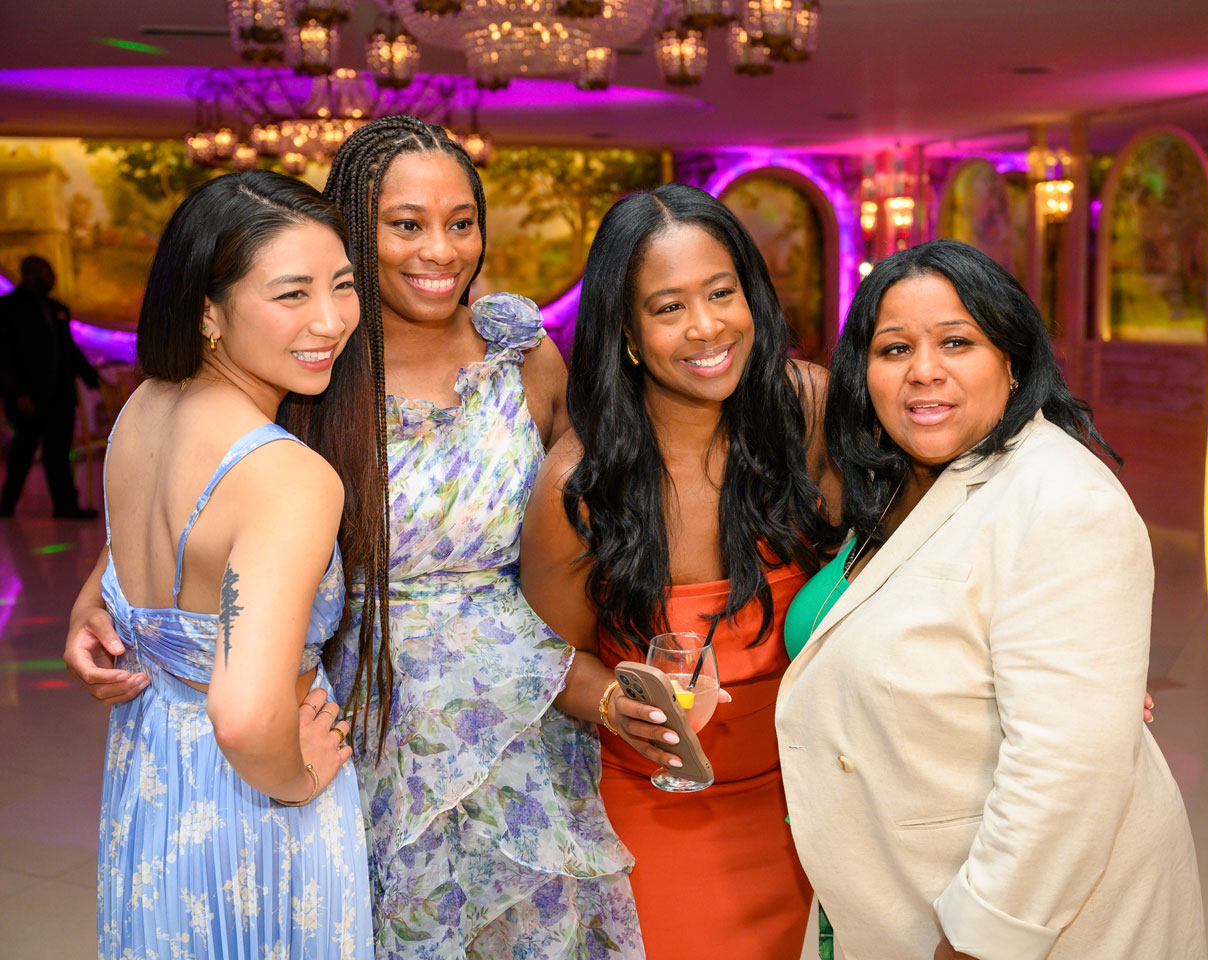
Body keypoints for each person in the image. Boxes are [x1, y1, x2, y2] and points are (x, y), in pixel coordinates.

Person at [68, 116, 641, 959]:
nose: (440, 251)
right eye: (405, 224)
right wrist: (100, 602)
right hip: (351, 721)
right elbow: (198, 496)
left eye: (461, 221)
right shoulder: (308, 365)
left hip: (510, 724)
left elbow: (583, 517)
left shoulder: (517, 351)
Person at [777, 239, 1204, 959]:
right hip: (889, 886)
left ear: (1011, 357)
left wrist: (980, 941)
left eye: (956, 341)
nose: (923, 371)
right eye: (893, 349)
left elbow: (1065, 774)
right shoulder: (892, 481)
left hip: (1014, 918)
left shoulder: (1064, 502)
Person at [521, 182, 837, 960]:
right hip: (659, 814)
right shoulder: (581, 484)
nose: (706, 327)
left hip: (814, 802)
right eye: (668, 308)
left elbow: (923, 543)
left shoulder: (809, 412)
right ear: (626, 333)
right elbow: (548, 659)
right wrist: (617, 704)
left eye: (721, 293)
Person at [92, 170, 373, 957]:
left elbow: (132, 555)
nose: (330, 320)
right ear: (209, 312)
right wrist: (300, 778)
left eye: (343, 286)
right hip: (259, 806)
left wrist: (93, 611)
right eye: (291, 295)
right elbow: (247, 716)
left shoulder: (145, 407)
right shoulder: (286, 476)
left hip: (155, 775)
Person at [0, 254, 101, 518]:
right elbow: (4, 355)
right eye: (42, 272)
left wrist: (92, 378)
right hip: (27, 396)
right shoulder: (8, 308)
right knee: (23, 450)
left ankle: (66, 505)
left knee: (58, 452)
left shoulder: (56, 308)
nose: (49, 277)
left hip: (59, 394)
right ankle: (7, 503)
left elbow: (68, 348)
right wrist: (16, 392)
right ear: (28, 274)